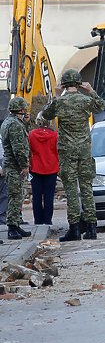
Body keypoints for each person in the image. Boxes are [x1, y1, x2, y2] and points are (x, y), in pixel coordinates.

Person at [42, 69, 105, 242]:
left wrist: (55, 95)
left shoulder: (60, 102)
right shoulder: (86, 100)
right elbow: (102, 106)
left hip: (67, 151)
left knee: (70, 189)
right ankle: (92, 228)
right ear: (79, 83)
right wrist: (91, 91)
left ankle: (75, 229)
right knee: (86, 188)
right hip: (84, 150)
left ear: (63, 84)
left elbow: (46, 115)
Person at [0, 97, 32, 240]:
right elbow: (18, 148)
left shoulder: (10, 122)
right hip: (14, 166)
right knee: (15, 196)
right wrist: (24, 165)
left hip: (11, 165)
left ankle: (16, 224)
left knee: (17, 196)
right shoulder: (14, 125)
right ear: (20, 109)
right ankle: (12, 227)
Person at [28, 113, 59, 225]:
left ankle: (38, 220)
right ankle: (47, 220)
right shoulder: (55, 135)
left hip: (35, 168)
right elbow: (57, 152)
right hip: (51, 168)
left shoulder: (31, 134)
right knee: (49, 196)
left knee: (36, 196)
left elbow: (28, 150)